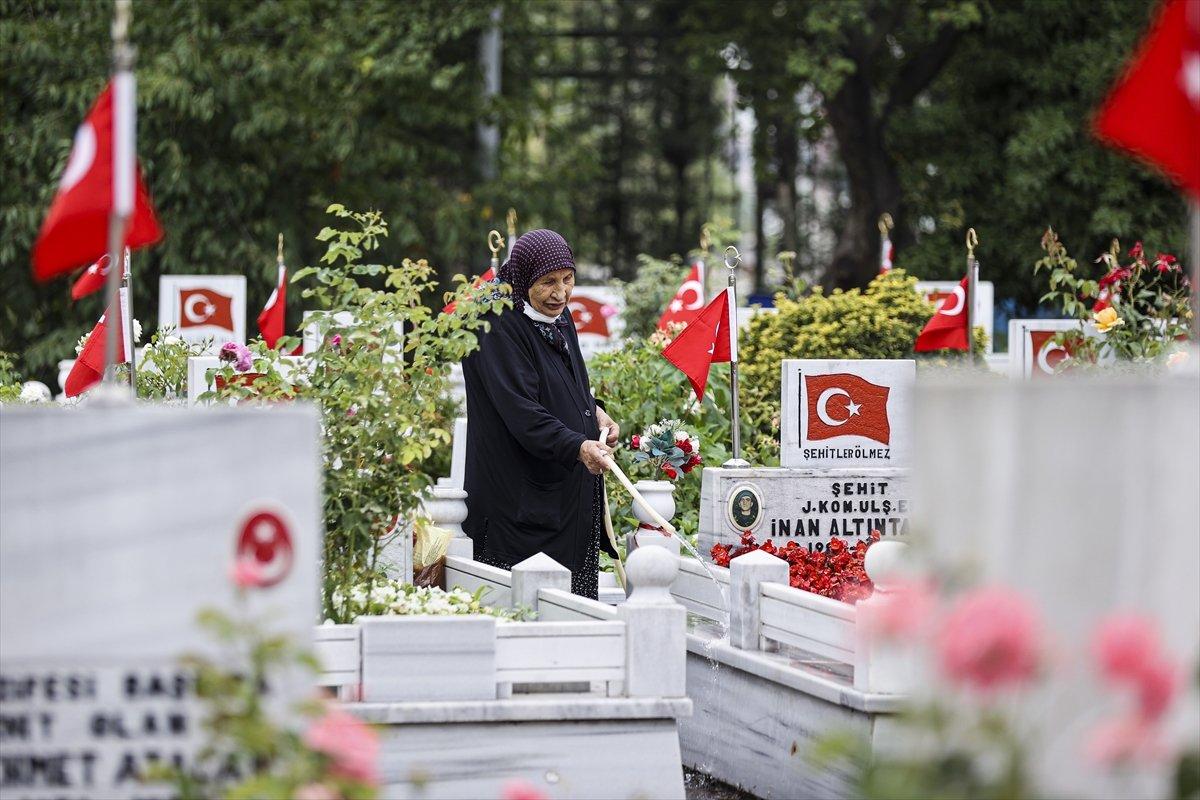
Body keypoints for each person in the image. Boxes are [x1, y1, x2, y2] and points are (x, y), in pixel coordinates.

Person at [461, 229, 621, 599]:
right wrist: (577, 446)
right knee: (526, 614)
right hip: (519, 504)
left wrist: (594, 413)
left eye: (568, 279)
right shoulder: (495, 324)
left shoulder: (557, 317)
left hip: (565, 499)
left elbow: (564, 384)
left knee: (574, 613)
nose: (561, 293)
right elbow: (522, 411)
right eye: (548, 282)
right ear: (524, 279)